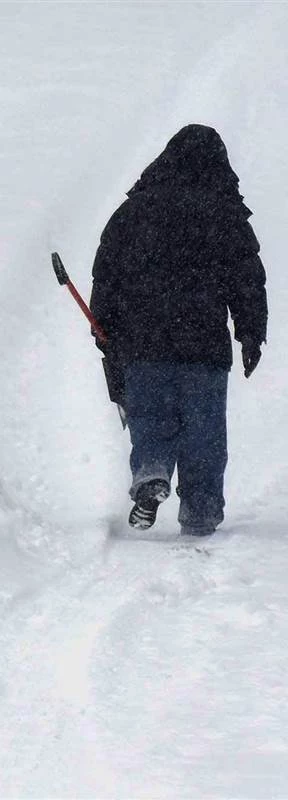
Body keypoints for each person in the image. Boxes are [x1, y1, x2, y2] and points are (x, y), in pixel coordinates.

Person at [89, 123, 267, 536]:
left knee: (150, 416)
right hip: (203, 342)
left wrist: (106, 329)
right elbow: (247, 279)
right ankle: (202, 509)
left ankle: (151, 471)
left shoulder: (135, 211)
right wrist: (250, 332)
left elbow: (108, 273)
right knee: (204, 430)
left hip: (144, 341)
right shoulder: (225, 214)